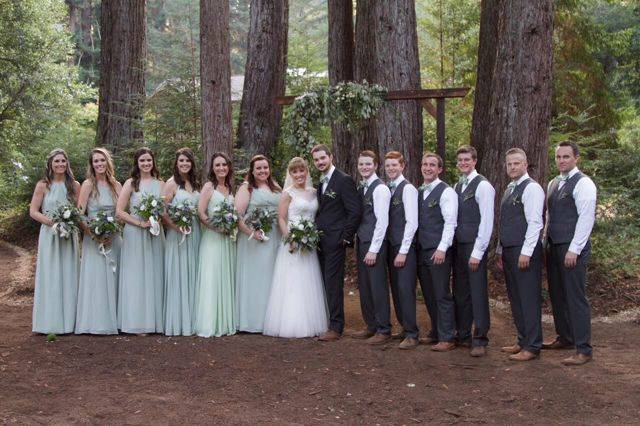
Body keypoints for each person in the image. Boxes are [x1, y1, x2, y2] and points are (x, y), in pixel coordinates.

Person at [543, 141, 597, 366]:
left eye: (566, 157)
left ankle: (583, 349)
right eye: (558, 157)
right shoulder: (553, 183)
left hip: (572, 247)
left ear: (576, 158)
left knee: (575, 298)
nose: (561, 160)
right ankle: (565, 338)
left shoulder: (583, 183)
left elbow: (586, 218)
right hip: (554, 245)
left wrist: (574, 249)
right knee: (557, 295)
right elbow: (549, 216)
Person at [262, 157, 329, 338]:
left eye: (301, 171)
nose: (299, 174)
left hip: (309, 243)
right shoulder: (287, 193)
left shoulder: (314, 192)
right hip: (292, 242)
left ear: (307, 171)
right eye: (294, 172)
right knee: (293, 281)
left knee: (310, 280)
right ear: (290, 174)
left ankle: (311, 320)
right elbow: (281, 218)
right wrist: (290, 238)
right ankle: (292, 323)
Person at [496, 148, 545, 361]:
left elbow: (535, 223)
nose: (513, 167)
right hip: (509, 249)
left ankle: (533, 346)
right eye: (509, 164)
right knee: (515, 298)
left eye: (516, 163)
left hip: (524, 251)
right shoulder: (509, 188)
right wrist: (500, 250)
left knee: (528, 298)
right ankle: (522, 339)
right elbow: (505, 222)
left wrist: (526, 252)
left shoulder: (532, 188)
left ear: (525, 164)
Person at [312, 145, 362, 341]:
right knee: (324, 281)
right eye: (316, 160)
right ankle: (327, 320)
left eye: (323, 158)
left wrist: (346, 237)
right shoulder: (321, 182)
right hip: (320, 241)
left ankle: (336, 326)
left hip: (336, 241)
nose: (320, 162)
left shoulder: (343, 180)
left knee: (333, 283)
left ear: (331, 157)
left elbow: (355, 211)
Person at [29, 148, 81, 334]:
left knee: (69, 274)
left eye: (63, 161)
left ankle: (70, 322)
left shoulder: (74, 185)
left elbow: (79, 211)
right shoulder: (43, 185)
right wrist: (53, 223)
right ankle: (49, 323)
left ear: (67, 164)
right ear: (50, 164)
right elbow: (34, 211)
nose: (60, 164)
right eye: (57, 161)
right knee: (51, 275)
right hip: (50, 235)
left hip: (69, 235)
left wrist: (68, 223)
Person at [116, 147, 165, 334]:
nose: (146, 164)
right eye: (142, 161)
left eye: (149, 160)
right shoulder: (131, 183)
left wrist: (154, 221)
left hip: (154, 234)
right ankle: (136, 322)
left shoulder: (160, 184)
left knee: (153, 274)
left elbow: (163, 210)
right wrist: (139, 223)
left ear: (153, 162)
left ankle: (154, 322)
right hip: (134, 234)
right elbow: (119, 211)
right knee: (135, 276)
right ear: (137, 163)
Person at [75, 148, 122, 335]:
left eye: (102, 160)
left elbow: (120, 213)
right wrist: (94, 234)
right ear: (92, 164)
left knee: (114, 276)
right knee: (96, 278)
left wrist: (113, 231)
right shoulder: (87, 185)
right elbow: (79, 213)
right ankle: (94, 320)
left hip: (113, 238)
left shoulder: (116, 185)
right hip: (93, 238)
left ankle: (116, 320)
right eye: (96, 161)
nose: (99, 164)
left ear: (107, 162)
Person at [452, 145, 494, 353]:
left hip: (474, 246)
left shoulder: (483, 186)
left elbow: (486, 222)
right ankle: (463, 334)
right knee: (461, 292)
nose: (463, 163)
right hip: (459, 245)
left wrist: (478, 251)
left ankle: (480, 339)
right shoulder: (458, 186)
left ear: (474, 161)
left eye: (467, 159)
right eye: (460, 160)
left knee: (477, 292)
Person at [416, 153, 459, 353]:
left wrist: (442, 248)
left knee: (442, 294)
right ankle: (435, 330)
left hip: (437, 250)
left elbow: (450, 223)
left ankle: (448, 336)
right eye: (425, 164)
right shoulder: (419, 191)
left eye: (432, 165)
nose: (428, 168)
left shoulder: (446, 191)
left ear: (440, 169)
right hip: (422, 249)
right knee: (429, 293)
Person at [235, 155, 282, 333]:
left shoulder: (276, 187)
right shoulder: (246, 188)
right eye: (259, 168)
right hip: (253, 241)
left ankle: (270, 320)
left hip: (274, 238)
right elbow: (237, 217)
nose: (263, 171)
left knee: (271, 277)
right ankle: (252, 321)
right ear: (252, 171)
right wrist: (251, 233)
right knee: (256, 278)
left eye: (265, 167)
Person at [194, 152, 237, 337]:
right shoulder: (209, 187)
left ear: (229, 167)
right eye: (217, 165)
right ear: (212, 168)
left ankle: (225, 322)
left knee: (225, 276)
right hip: (212, 238)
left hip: (228, 240)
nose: (221, 168)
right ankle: (210, 323)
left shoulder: (230, 187)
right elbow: (201, 213)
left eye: (224, 165)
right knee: (212, 278)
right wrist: (216, 227)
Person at [351, 151, 392, 345]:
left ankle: (384, 328)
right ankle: (371, 325)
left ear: (375, 166)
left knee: (377, 286)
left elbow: (382, 222)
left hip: (374, 244)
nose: (364, 167)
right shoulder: (362, 187)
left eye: (368, 164)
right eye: (361, 164)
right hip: (362, 241)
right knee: (365, 286)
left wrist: (374, 249)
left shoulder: (380, 189)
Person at [161, 148, 201, 336]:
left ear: (192, 163)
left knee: (192, 272)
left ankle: (193, 319)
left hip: (195, 233)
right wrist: (176, 227)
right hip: (178, 236)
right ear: (176, 164)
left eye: (187, 161)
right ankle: (178, 322)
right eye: (181, 161)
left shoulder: (195, 183)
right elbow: (162, 211)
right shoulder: (172, 183)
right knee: (179, 273)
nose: (184, 164)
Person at [384, 151, 419, 350]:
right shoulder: (388, 188)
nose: (390, 169)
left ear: (402, 166)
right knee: (396, 290)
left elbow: (411, 222)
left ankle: (413, 334)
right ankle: (405, 328)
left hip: (403, 247)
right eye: (388, 165)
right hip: (391, 245)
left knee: (406, 290)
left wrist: (404, 250)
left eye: (394, 165)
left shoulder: (408, 189)